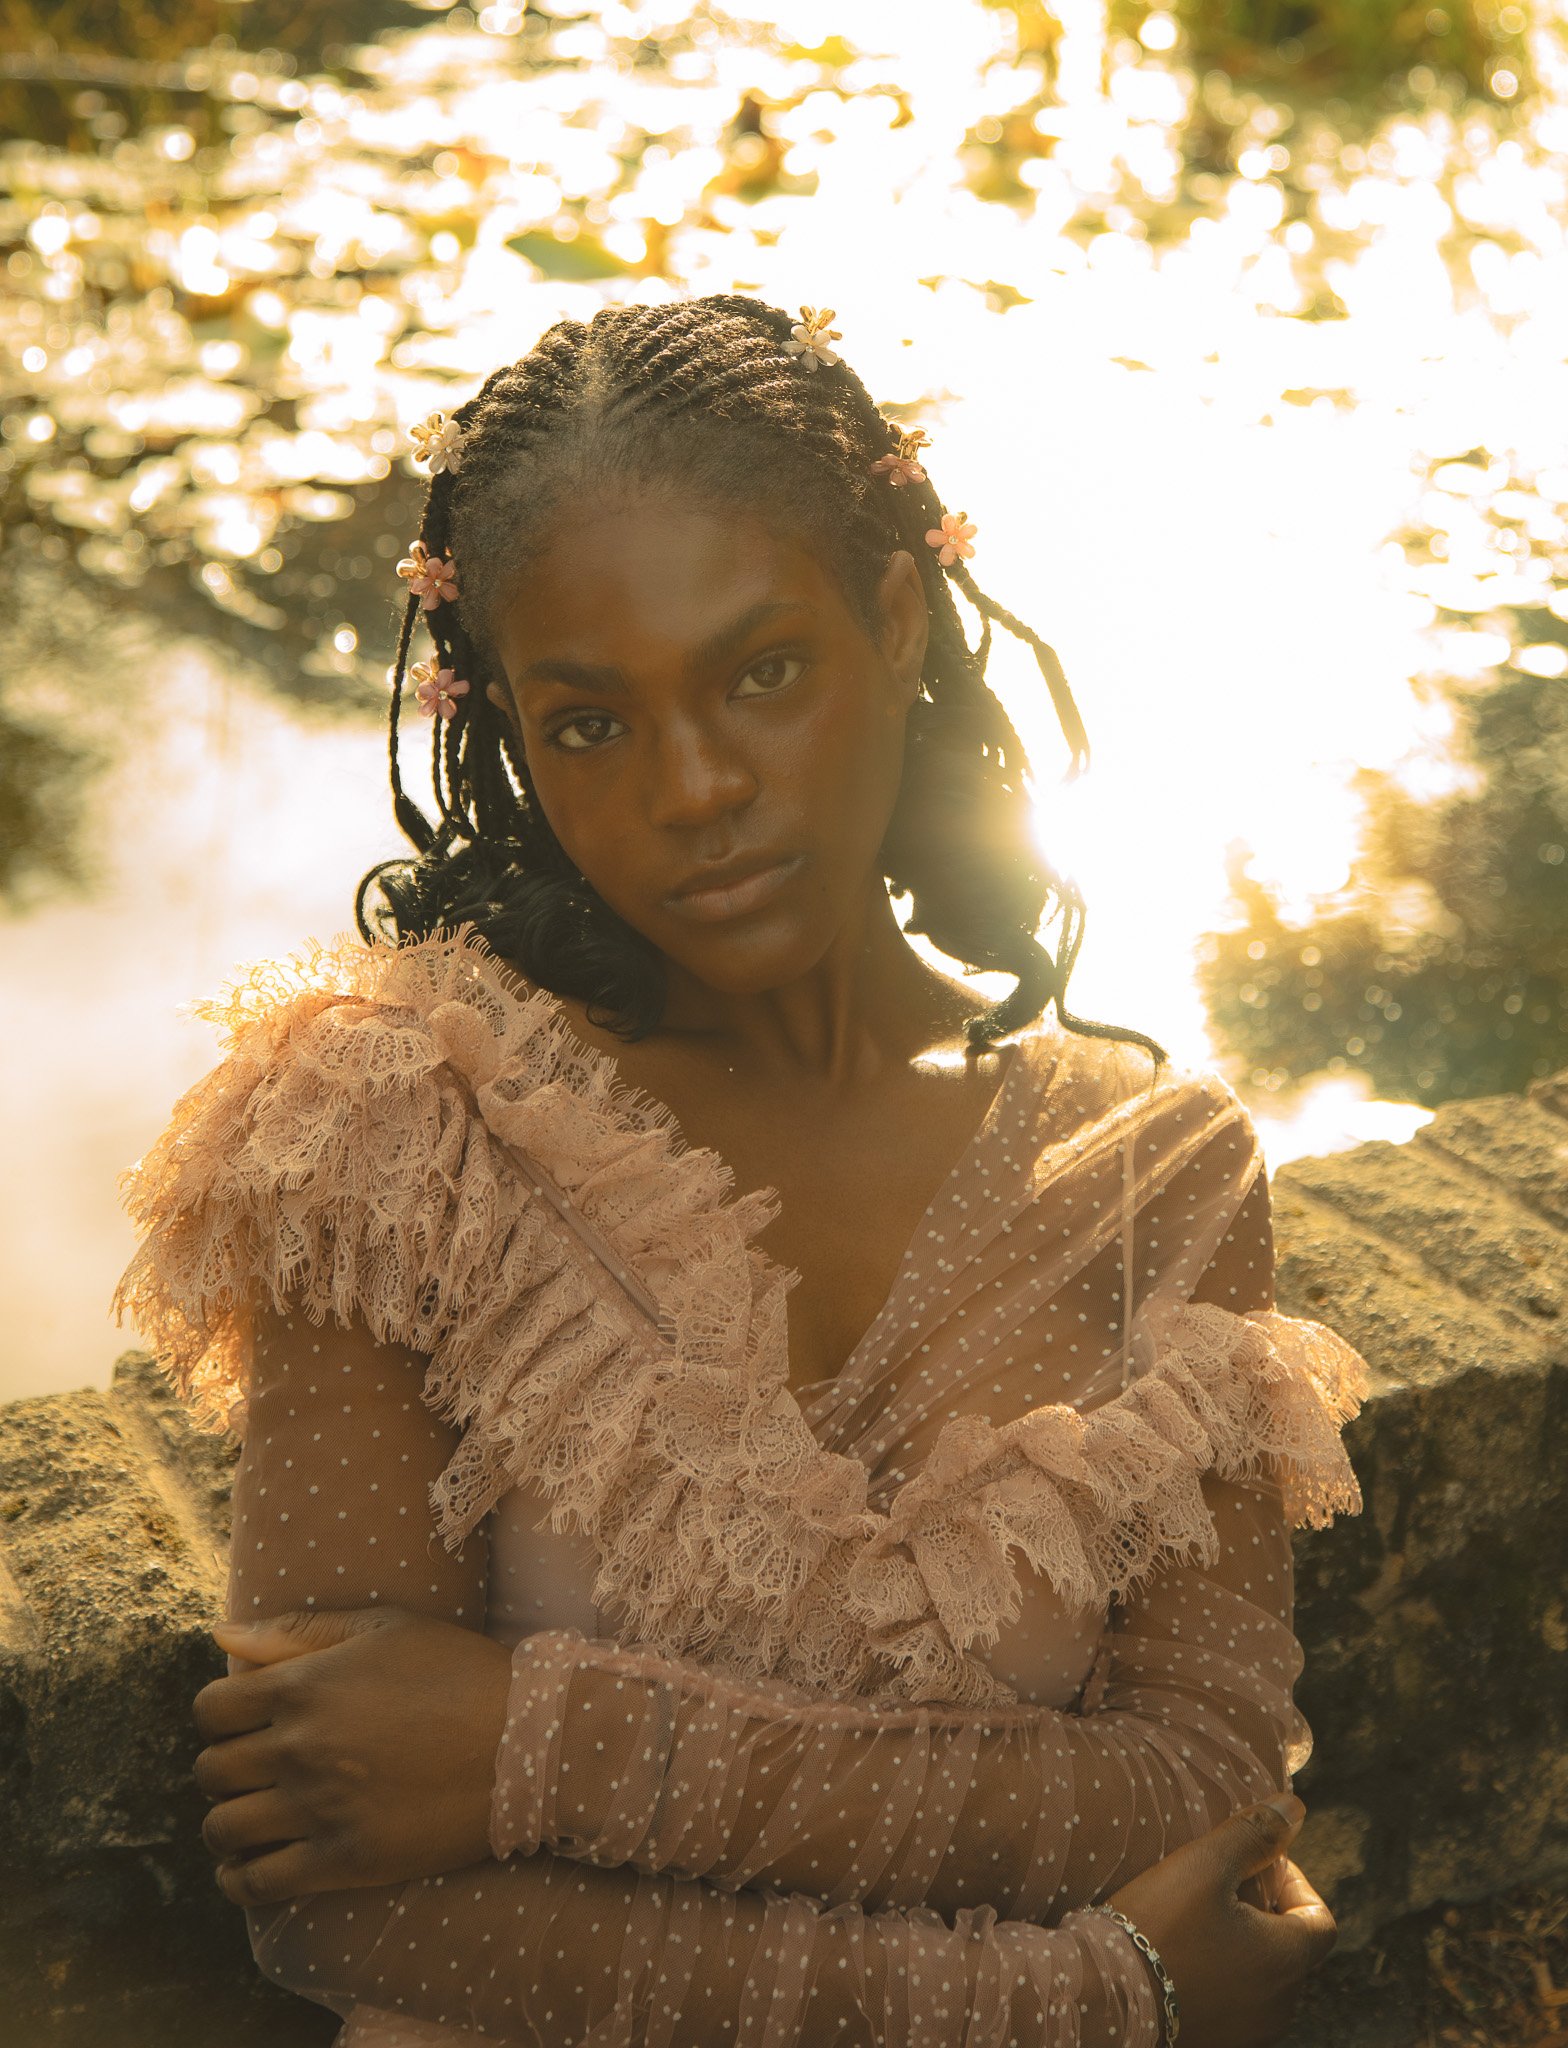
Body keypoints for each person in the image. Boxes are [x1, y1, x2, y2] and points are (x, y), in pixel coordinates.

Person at [111, 293, 1367, 2047]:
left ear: (898, 618)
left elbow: (1197, 1795)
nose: (693, 789)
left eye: (762, 673)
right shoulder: (394, 1131)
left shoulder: (1158, 1172)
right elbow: (348, 1904)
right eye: (592, 724)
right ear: (510, 735)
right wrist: (1087, 1997)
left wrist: (530, 1749)